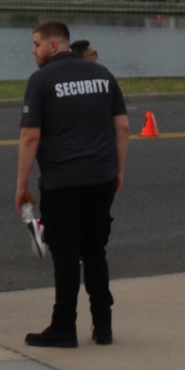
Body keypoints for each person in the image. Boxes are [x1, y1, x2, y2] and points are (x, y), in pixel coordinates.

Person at [16, 20, 129, 348]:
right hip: (101, 177)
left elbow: (30, 135)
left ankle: (64, 325)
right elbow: (122, 127)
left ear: (53, 46)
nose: (33, 50)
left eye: (36, 44)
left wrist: (21, 183)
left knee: (66, 255)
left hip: (62, 180)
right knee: (95, 251)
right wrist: (119, 170)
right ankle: (103, 325)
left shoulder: (41, 80)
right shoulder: (103, 75)